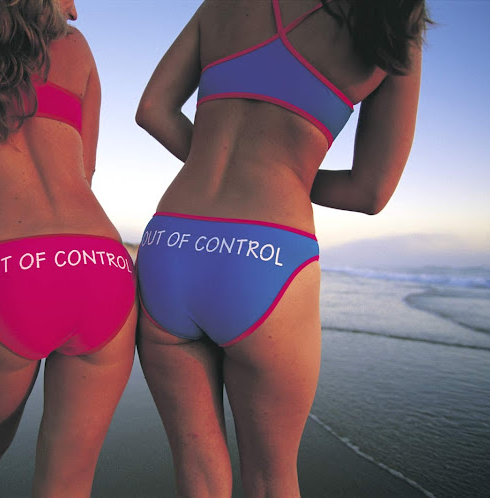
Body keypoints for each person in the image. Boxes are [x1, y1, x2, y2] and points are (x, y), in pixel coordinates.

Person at [135, 0, 430, 496]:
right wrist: (285, 177)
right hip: (267, 256)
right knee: (272, 480)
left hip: (171, 243)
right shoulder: (391, 21)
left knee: (197, 476)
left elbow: (153, 109)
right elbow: (370, 192)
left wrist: (216, 162)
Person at [0, 1, 137, 495]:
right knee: (70, 473)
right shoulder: (77, 47)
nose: (75, 10)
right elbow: (86, 172)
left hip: (5, 266)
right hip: (99, 263)